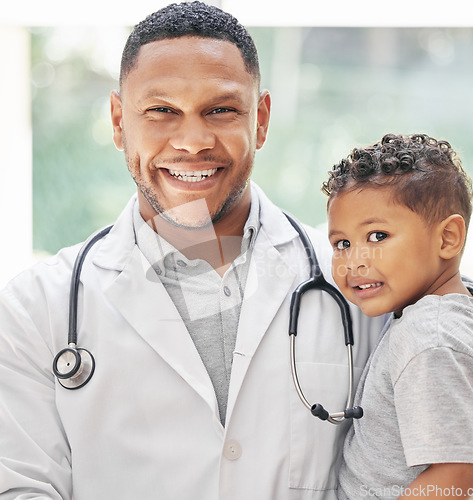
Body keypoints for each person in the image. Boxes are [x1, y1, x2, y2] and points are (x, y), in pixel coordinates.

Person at [0, 3, 385, 499]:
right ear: (119, 121)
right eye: (162, 111)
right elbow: (20, 487)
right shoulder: (37, 308)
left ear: (261, 120)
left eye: (220, 110)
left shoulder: (359, 281)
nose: (192, 141)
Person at [322, 133, 473, 499]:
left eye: (377, 235)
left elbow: (457, 473)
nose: (355, 260)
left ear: (447, 238)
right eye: (342, 243)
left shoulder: (430, 339)